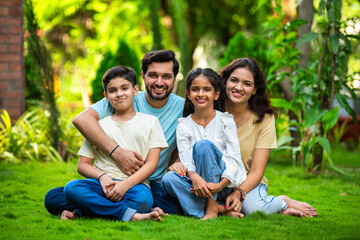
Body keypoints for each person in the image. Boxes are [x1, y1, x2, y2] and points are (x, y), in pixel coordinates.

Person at [44, 50, 184, 216]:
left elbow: (195, 135)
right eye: (153, 75)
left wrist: (178, 161)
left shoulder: (183, 107)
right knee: (54, 198)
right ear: (143, 76)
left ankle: (87, 210)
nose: (159, 82)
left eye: (166, 76)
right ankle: (127, 212)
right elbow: (81, 120)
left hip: (147, 182)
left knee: (156, 200)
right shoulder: (123, 97)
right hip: (107, 180)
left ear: (174, 78)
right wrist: (117, 153)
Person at [219, 57, 318, 217]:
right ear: (225, 82)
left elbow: (257, 170)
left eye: (247, 83)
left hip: (246, 182)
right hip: (215, 180)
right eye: (234, 80)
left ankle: (282, 201)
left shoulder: (264, 118)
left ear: (255, 89)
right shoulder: (212, 109)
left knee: (255, 210)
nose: (238, 87)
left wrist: (238, 192)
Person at [161, 68, 247, 220]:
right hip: (197, 185)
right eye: (195, 89)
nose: (200, 94)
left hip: (223, 185)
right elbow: (186, 159)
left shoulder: (225, 121)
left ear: (216, 94)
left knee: (203, 146)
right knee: (169, 179)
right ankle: (219, 209)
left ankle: (212, 209)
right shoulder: (183, 125)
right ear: (188, 94)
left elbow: (234, 159)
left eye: (207, 89)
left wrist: (221, 184)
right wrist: (194, 177)